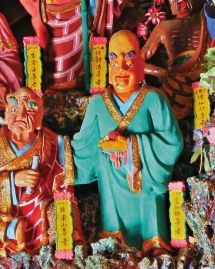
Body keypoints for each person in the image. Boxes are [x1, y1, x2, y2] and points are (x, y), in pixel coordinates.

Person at [72, 30, 183, 255]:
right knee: (113, 222)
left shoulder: (154, 99)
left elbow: (172, 141)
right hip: (110, 178)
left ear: (140, 65)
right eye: (114, 62)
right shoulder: (97, 103)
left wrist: (131, 145)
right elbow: (84, 145)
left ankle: (154, 242)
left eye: (129, 61)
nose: (121, 69)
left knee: (150, 214)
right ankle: (115, 241)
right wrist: (54, 151)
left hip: (146, 176)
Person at [0, 87, 82, 259]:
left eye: (29, 111)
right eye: (14, 110)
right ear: (6, 113)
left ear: (39, 117)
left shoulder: (52, 143)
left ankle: (56, 251)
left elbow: (64, 189)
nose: (20, 115)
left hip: (38, 214)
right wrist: (12, 180)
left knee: (62, 210)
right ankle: (10, 231)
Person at [139, 0, 210, 119]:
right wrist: (157, 71)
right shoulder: (164, 27)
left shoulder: (208, 17)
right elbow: (137, 62)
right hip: (176, 85)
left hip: (209, 77)